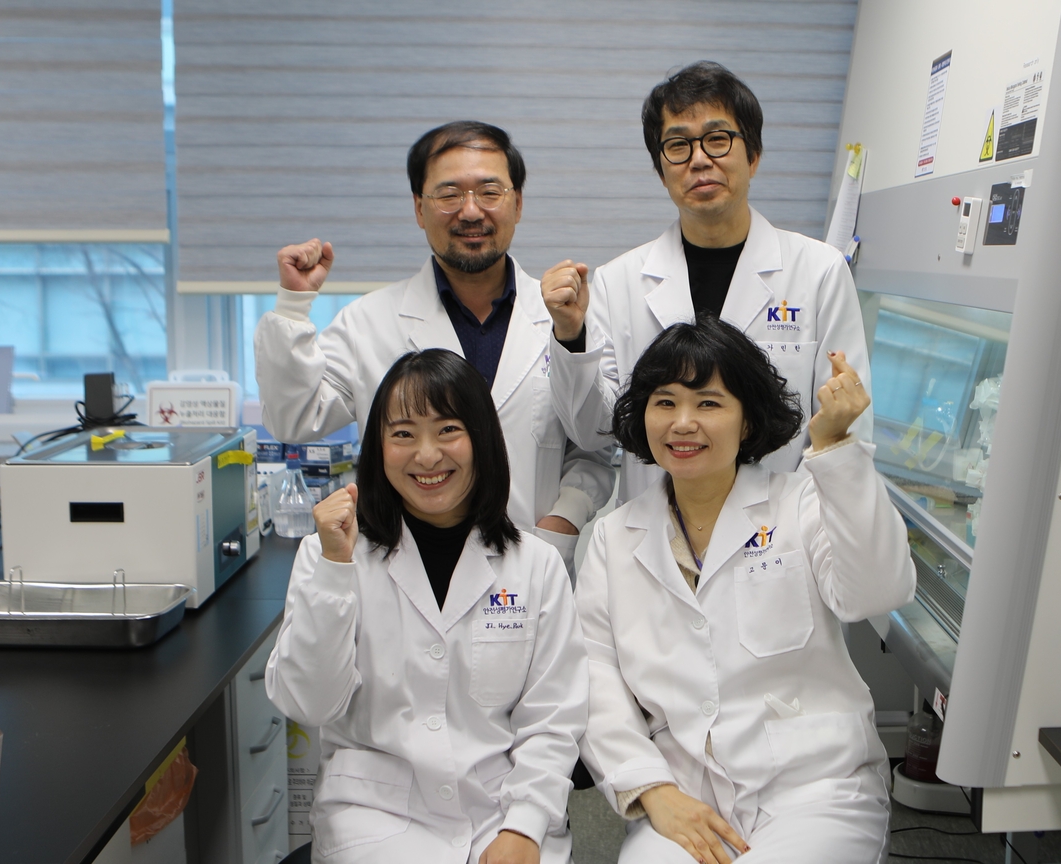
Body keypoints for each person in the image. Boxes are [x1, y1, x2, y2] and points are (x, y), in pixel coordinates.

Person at [575, 317, 915, 863]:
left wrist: (836, 449)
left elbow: (878, 593)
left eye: (708, 403)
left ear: (748, 419)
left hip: (814, 788)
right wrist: (653, 790)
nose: (683, 423)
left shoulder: (801, 503)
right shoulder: (614, 538)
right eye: (665, 402)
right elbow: (596, 677)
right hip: (685, 794)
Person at [266, 349, 587, 864]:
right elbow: (309, 705)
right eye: (403, 434)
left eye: (448, 430)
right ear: (378, 447)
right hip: (374, 817)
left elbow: (553, 718)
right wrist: (334, 570)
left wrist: (525, 827)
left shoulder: (536, 565)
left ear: (481, 439)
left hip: (500, 810)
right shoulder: (330, 556)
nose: (427, 455)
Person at [256, 121, 614, 572]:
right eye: (449, 194)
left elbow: (596, 441)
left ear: (518, 203)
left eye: (490, 192)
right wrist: (293, 306)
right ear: (419, 208)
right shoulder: (370, 322)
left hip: (529, 567)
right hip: (403, 574)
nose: (471, 211)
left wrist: (566, 517)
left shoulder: (565, 317)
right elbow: (292, 418)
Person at [541, 61, 872, 504]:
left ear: (753, 156)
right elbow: (593, 432)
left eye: (718, 139)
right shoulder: (618, 281)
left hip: (777, 530)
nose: (699, 160)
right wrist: (570, 335)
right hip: (657, 526)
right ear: (661, 171)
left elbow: (847, 424)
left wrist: (799, 529)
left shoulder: (819, 272)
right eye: (678, 145)